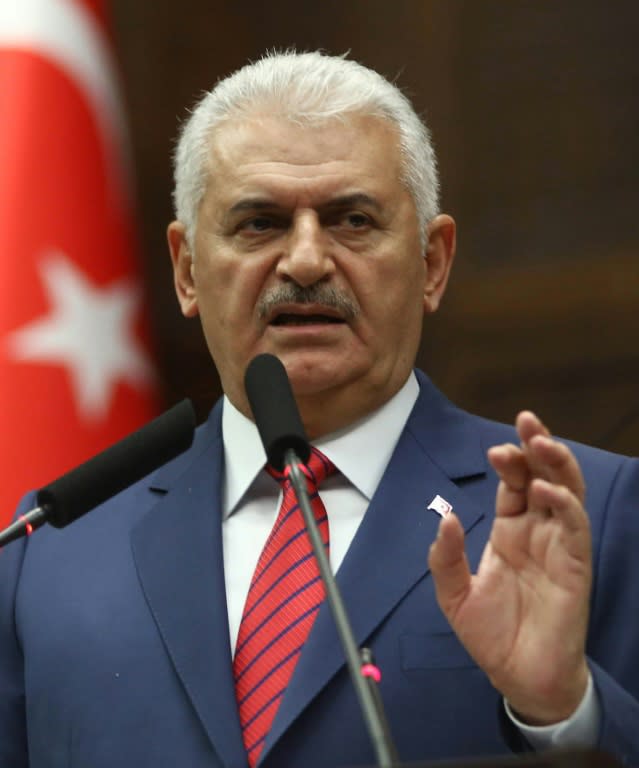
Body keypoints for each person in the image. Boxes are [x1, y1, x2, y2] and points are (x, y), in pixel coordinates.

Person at [0, 50, 638, 768]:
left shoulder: (590, 516)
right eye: (258, 223)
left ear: (432, 263)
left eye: (353, 220)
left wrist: (562, 714)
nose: (305, 261)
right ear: (185, 271)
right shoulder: (51, 551)